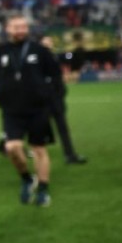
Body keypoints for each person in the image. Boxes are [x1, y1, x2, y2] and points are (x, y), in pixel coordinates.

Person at [0, 15, 60, 207]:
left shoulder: (39, 50)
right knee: (12, 148)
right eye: (16, 27)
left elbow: (54, 74)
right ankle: (27, 179)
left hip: (37, 109)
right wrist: (0, 97)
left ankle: (43, 190)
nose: (20, 30)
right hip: (11, 110)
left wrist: (47, 96)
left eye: (23, 27)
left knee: (39, 149)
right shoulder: (0, 52)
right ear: (7, 29)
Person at [40, 36, 87, 165]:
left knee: (62, 127)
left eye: (50, 42)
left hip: (55, 99)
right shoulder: (38, 59)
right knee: (32, 126)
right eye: (46, 42)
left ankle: (70, 155)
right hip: (44, 100)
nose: (49, 44)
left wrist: (61, 92)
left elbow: (58, 76)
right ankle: (6, 143)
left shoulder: (54, 57)